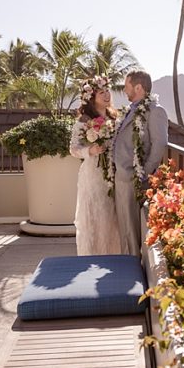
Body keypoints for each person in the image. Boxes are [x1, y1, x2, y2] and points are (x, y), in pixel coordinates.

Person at [111, 70, 168, 256]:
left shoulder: (155, 111)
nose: (124, 90)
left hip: (134, 178)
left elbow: (159, 144)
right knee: (126, 230)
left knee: (134, 230)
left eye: (127, 86)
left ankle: (133, 274)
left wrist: (143, 173)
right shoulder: (130, 109)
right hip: (120, 178)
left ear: (138, 87)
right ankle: (127, 266)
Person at [68, 75, 120, 255]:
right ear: (91, 97)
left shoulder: (115, 117)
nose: (106, 95)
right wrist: (90, 151)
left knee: (111, 216)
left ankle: (113, 255)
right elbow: (73, 149)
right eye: (101, 93)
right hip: (93, 174)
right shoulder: (84, 120)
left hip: (115, 173)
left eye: (107, 91)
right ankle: (92, 255)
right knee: (94, 215)